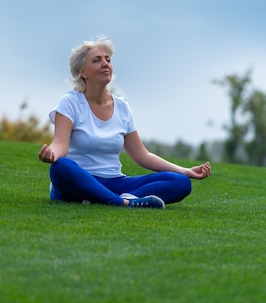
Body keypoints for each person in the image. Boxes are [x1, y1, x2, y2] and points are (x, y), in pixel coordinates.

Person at [38, 36, 211, 209]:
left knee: (180, 182)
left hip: (116, 182)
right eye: (97, 60)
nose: (105, 64)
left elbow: (141, 155)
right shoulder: (69, 102)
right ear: (82, 72)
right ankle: (121, 202)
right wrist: (52, 153)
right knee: (60, 167)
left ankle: (110, 198)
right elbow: (60, 144)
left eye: (108, 59)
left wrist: (185, 171)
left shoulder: (122, 106)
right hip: (80, 179)